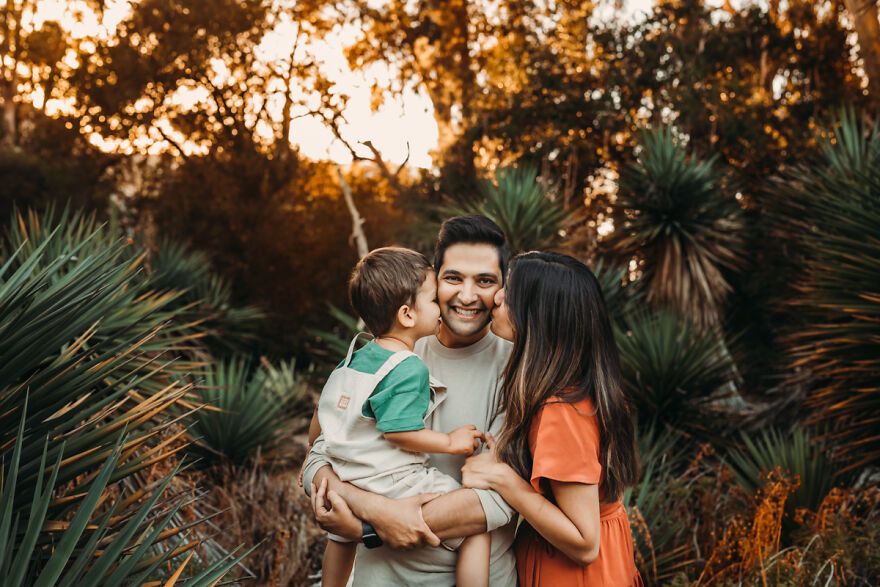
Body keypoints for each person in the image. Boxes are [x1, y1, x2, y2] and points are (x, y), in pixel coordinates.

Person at [302, 215, 518, 586]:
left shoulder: (520, 369)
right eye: (452, 279)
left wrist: (364, 526)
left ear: (502, 288)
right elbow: (318, 457)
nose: (467, 296)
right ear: (433, 280)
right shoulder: (390, 353)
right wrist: (375, 509)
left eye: (484, 281)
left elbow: (498, 500)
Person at [461, 251, 643, 586]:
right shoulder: (581, 388)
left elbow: (584, 542)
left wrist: (502, 479)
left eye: (511, 290)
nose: (497, 296)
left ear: (538, 316)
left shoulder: (561, 412)